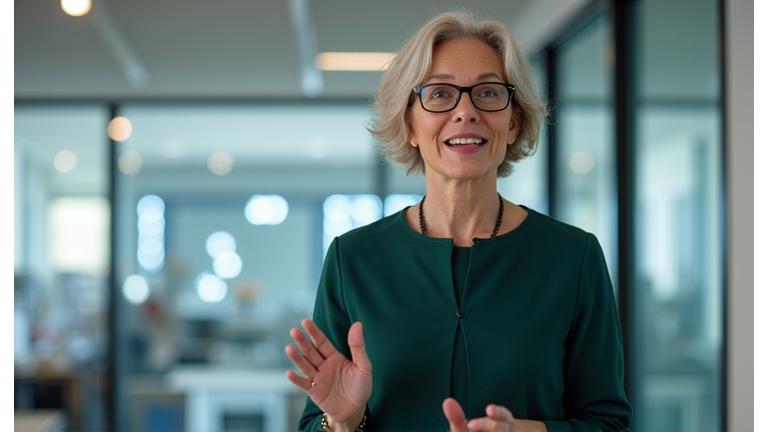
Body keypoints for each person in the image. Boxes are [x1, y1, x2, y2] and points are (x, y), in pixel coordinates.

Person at [285, 11, 632, 431]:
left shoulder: (573, 256)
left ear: (513, 123)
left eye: (488, 92)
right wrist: (343, 421)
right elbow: (315, 424)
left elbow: (608, 422)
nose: (465, 111)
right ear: (410, 124)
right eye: (439, 93)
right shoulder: (353, 258)